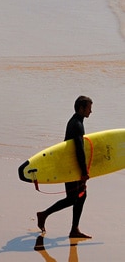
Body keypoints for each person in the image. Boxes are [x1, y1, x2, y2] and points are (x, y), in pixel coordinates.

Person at [36, 96, 93, 239]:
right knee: (73, 198)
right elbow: (79, 149)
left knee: (80, 195)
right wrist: (84, 171)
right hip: (71, 167)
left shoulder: (75, 121)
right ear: (81, 108)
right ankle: (44, 214)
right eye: (89, 108)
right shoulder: (77, 124)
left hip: (70, 165)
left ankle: (74, 229)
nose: (91, 111)